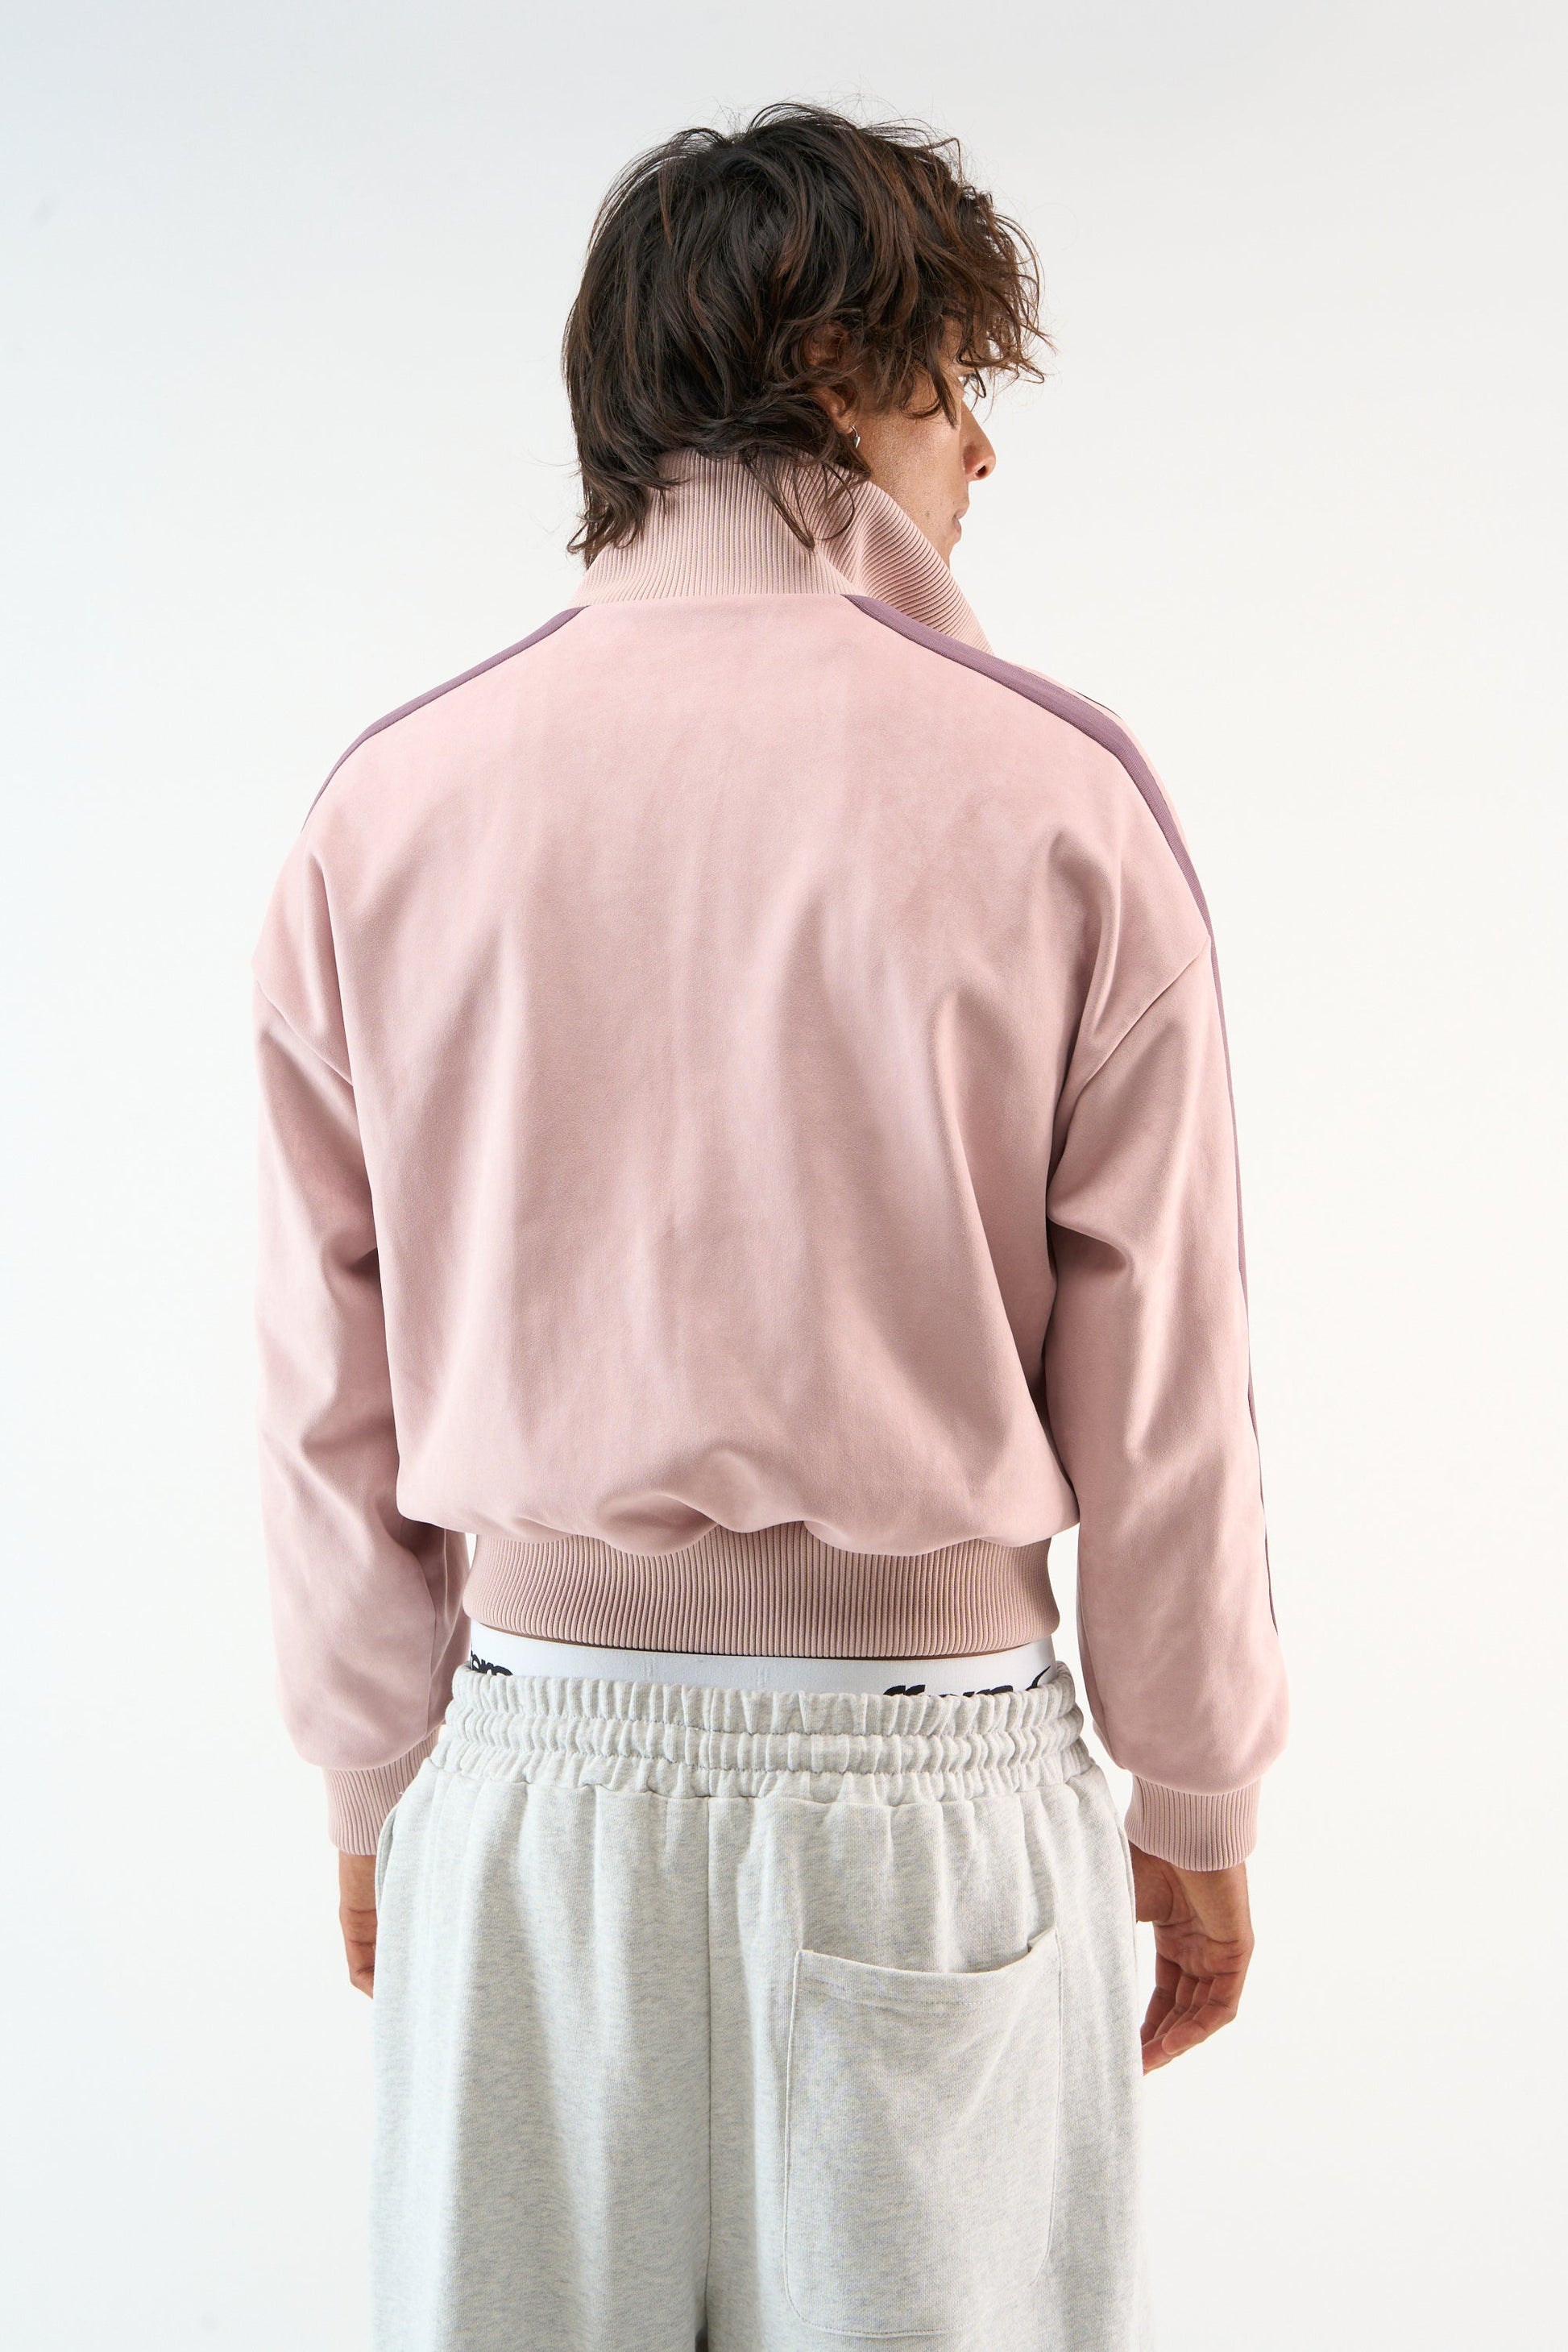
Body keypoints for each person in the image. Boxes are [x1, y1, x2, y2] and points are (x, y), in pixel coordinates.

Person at [251, 102, 1288, 2352]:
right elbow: (1168, 1379)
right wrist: (1197, 1785)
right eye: (951, 383)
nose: (980, 454)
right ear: (828, 364)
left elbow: (323, 1375)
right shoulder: (1057, 799)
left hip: (530, 1786)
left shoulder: (388, 807)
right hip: (925, 1804)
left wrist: (372, 1770)